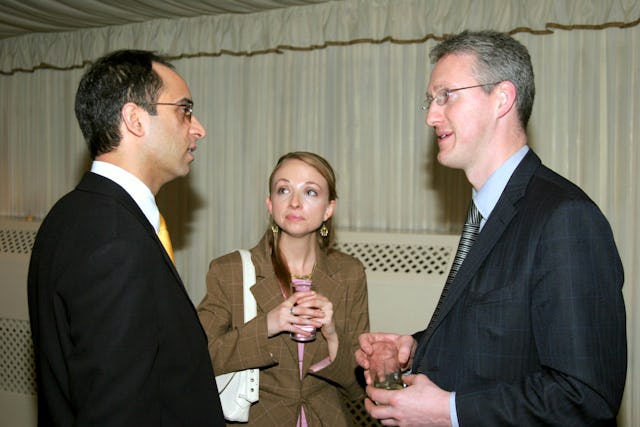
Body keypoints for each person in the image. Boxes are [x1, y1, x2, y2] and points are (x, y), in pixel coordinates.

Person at [356, 30, 627, 426]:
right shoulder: (488, 211)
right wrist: (414, 348)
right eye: (430, 101)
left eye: (446, 95)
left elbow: (584, 397)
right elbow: (501, 341)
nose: (431, 115)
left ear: (502, 98)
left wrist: (450, 412)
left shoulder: (564, 218)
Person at [28, 50, 225, 426]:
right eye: (184, 110)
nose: (198, 127)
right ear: (135, 118)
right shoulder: (113, 239)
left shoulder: (73, 215)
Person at [198, 151, 370, 426]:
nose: (295, 202)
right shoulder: (229, 270)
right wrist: (267, 324)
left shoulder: (350, 273)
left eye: (310, 192)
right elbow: (199, 358)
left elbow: (357, 388)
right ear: (270, 203)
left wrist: (333, 336)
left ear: (329, 208)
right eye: (283, 190)